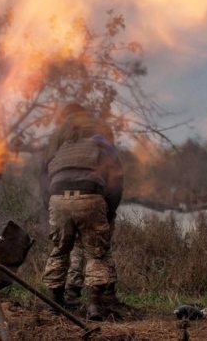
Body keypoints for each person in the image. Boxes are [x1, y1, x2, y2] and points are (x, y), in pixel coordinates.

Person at [40, 103, 118, 321]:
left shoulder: (58, 142)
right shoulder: (101, 138)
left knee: (59, 250)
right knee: (96, 253)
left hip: (57, 197)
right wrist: (109, 211)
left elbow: (44, 177)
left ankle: (54, 304)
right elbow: (116, 178)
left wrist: (50, 203)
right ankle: (94, 307)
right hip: (90, 196)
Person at [63, 134, 123, 313]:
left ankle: (71, 294)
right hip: (96, 205)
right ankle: (104, 297)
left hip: (65, 203)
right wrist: (110, 213)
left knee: (77, 249)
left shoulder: (72, 150)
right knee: (100, 252)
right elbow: (116, 186)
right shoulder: (108, 153)